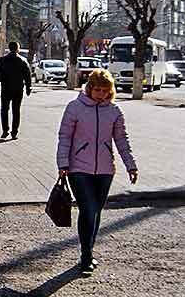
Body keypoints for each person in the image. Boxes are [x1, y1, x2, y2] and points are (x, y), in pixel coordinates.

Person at [56, 69, 138, 274]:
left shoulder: (114, 111)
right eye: (97, 90)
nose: (100, 94)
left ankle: (89, 250)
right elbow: (64, 136)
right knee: (88, 209)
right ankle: (86, 256)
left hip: (104, 169)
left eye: (105, 90)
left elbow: (121, 140)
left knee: (96, 211)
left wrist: (131, 164)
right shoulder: (74, 108)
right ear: (90, 88)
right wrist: (62, 163)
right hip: (78, 168)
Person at [0, 41, 32, 140]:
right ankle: (14, 132)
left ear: (9, 48)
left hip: (5, 88)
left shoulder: (2, 60)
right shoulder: (23, 60)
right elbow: (27, 76)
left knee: (4, 110)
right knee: (16, 111)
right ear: (17, 49)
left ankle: (5, 131)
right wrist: (28, 87)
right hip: (18, 89)